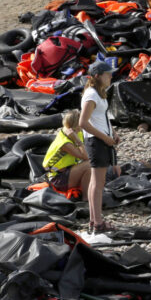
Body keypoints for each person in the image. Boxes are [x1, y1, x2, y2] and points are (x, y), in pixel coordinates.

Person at [79, 61, 120, 233]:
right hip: (96, 142)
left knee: (96, 182)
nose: (110, 76)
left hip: (101, 140)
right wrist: (105, 138)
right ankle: (97, 223)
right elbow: (83, 122)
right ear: (97, 76)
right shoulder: (91, 95)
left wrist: (113, 132)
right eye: (107, 74)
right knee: (97, 183)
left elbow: (101, 117)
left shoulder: (98, 93)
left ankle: (94, 221)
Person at [42, 109, 91, 197]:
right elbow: (86, 156)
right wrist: (78, 141)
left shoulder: (74, 131)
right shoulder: (65, 143)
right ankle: (86, 198)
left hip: (67, 172)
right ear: (76, 125)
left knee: (91, 168)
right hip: (57, 179)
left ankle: (86, 196)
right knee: (90, 164)